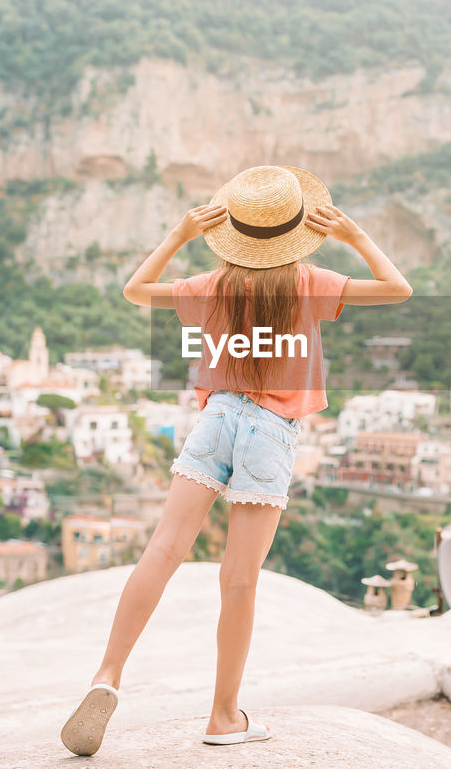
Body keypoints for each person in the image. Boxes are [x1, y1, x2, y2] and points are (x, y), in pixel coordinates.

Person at [60, 164, 412, 755]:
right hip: (270, 432)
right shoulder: (309, 283)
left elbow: (134, 291)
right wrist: (353, 236)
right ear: (298, 231)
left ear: (234, 231)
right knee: (239, 580)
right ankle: (224, 717)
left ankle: (107, 675)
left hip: (217, 418)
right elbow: (397, 289)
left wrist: (178, 236)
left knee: (164, 550)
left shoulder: (213, 286)